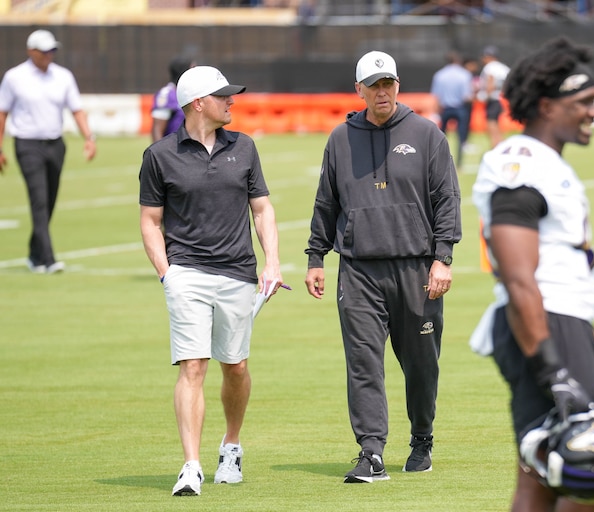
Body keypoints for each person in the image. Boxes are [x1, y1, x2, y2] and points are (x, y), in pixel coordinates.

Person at [472, 38, 594, 511]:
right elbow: (517, 275)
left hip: (561, 321)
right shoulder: (520, 163)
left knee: (542, 472)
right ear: (546, 105)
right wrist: (553, 368)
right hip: (548, 323)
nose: (593, 112)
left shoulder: (544, 162)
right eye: (583, 103)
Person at [304, 50, 462, 483]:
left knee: (421, 364)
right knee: (363, 362)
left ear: (397, 85)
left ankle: (422, 439)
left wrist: (443, 257)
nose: (382, 91)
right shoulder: (339, 139)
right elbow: (326, 202)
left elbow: (447, 199)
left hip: (417, 270)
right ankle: (371, 452)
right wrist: (317, 257)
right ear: (359, 90)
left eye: (388, 83)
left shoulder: (427, 134)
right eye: (373, 85)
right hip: (357, 271)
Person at [139, 65, 283, 497]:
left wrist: (271, 261)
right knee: (193, 367)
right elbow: (150, 221)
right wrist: (167, 274)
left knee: (235, 366)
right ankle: (191, 465)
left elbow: (262, 210)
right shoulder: (159, 156)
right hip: (186, 275)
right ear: (198, 103)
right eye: (224, 96)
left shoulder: (245, 147)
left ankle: (231, 446)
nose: (232, 101)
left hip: (239, 273)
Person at [0, 29, 97, 273]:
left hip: (55, 144)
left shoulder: (63, 76)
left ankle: (34, 253)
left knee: (50, 200)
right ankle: (48, 258)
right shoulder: (14, 77)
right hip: (27, 143)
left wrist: (89, 137)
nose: (48, 55)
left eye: (52, 50)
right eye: (44, 51)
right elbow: (2, 112)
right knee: (39, 200)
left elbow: (76, 109)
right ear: (31, 51)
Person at [430, 51, 473, 169]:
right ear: (457, 61)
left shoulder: (439, 75)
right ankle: (459, 164)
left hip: (445, 109)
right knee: (461, 136)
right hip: (460, 108)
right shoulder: (464, 74)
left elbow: (436, 96)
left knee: (440, 137)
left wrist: (437, 111)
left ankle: (439, 162)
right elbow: (466, 96)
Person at [150, 56, 195, 143]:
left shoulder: (191, 92)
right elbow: (157, 129)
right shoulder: (167, 94)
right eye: (192, 68)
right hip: (173, 150)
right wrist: (160, 154)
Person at [478, 45, 510, 149]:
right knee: (495, 123)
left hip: (494, 98)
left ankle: (496, 145)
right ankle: (501, 144)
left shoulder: (490, 67)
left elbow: (490, 82)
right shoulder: (503, 67)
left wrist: (485, 96)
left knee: (491, 123)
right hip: (502, 98)